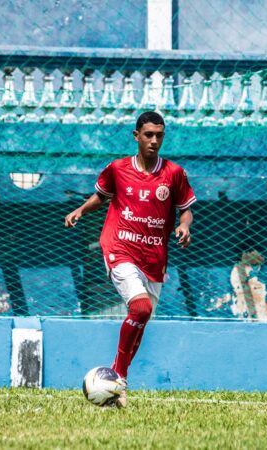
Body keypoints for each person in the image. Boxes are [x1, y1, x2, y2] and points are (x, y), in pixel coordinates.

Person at [65, 111, 196, 408]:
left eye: (159, 135)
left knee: (142, 316)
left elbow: (185, 208)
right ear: (136, 136)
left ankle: (117, 382)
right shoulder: (118, 169)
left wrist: (184, 225)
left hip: (153, 256)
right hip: (119, 246)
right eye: (148, 135)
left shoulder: (174, 174)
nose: (154, 141)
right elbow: (102, 196)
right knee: (140, 306)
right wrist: (80, 211)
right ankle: (118, 376)